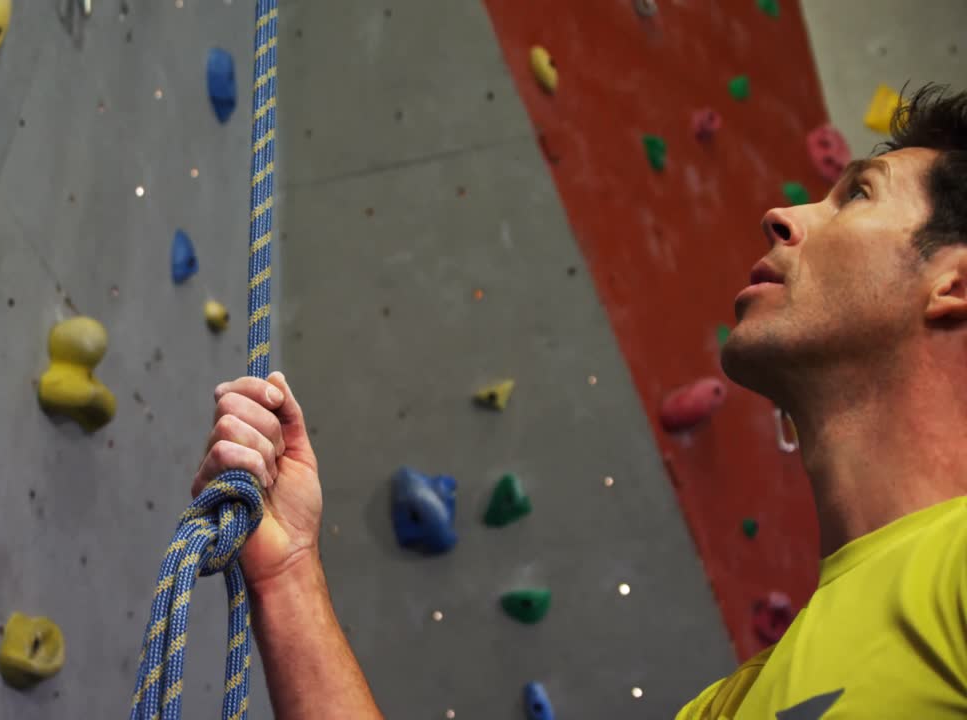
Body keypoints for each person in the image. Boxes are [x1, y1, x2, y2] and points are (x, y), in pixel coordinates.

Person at [196, 83, 967, 719]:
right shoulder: (735, 703)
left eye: (858, 194)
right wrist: (288, 573)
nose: (784, 213)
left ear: (955, 283)